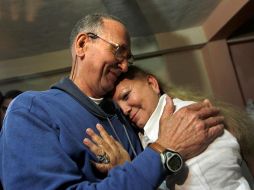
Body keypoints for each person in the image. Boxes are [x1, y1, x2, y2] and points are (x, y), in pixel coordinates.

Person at [0, 13, 224, 190]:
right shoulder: (32, 110)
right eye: (119, 51)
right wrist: (163, 152)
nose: (125, 66)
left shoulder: (123, 115)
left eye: (129, 59)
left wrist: (130, 167)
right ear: (82, 45)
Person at [84, 65, 254, 190]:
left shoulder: (187, 120)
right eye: (118, 108)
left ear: (152, 84)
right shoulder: (153, 130)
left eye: (126, 96)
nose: (125, 110)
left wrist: (129, 170)